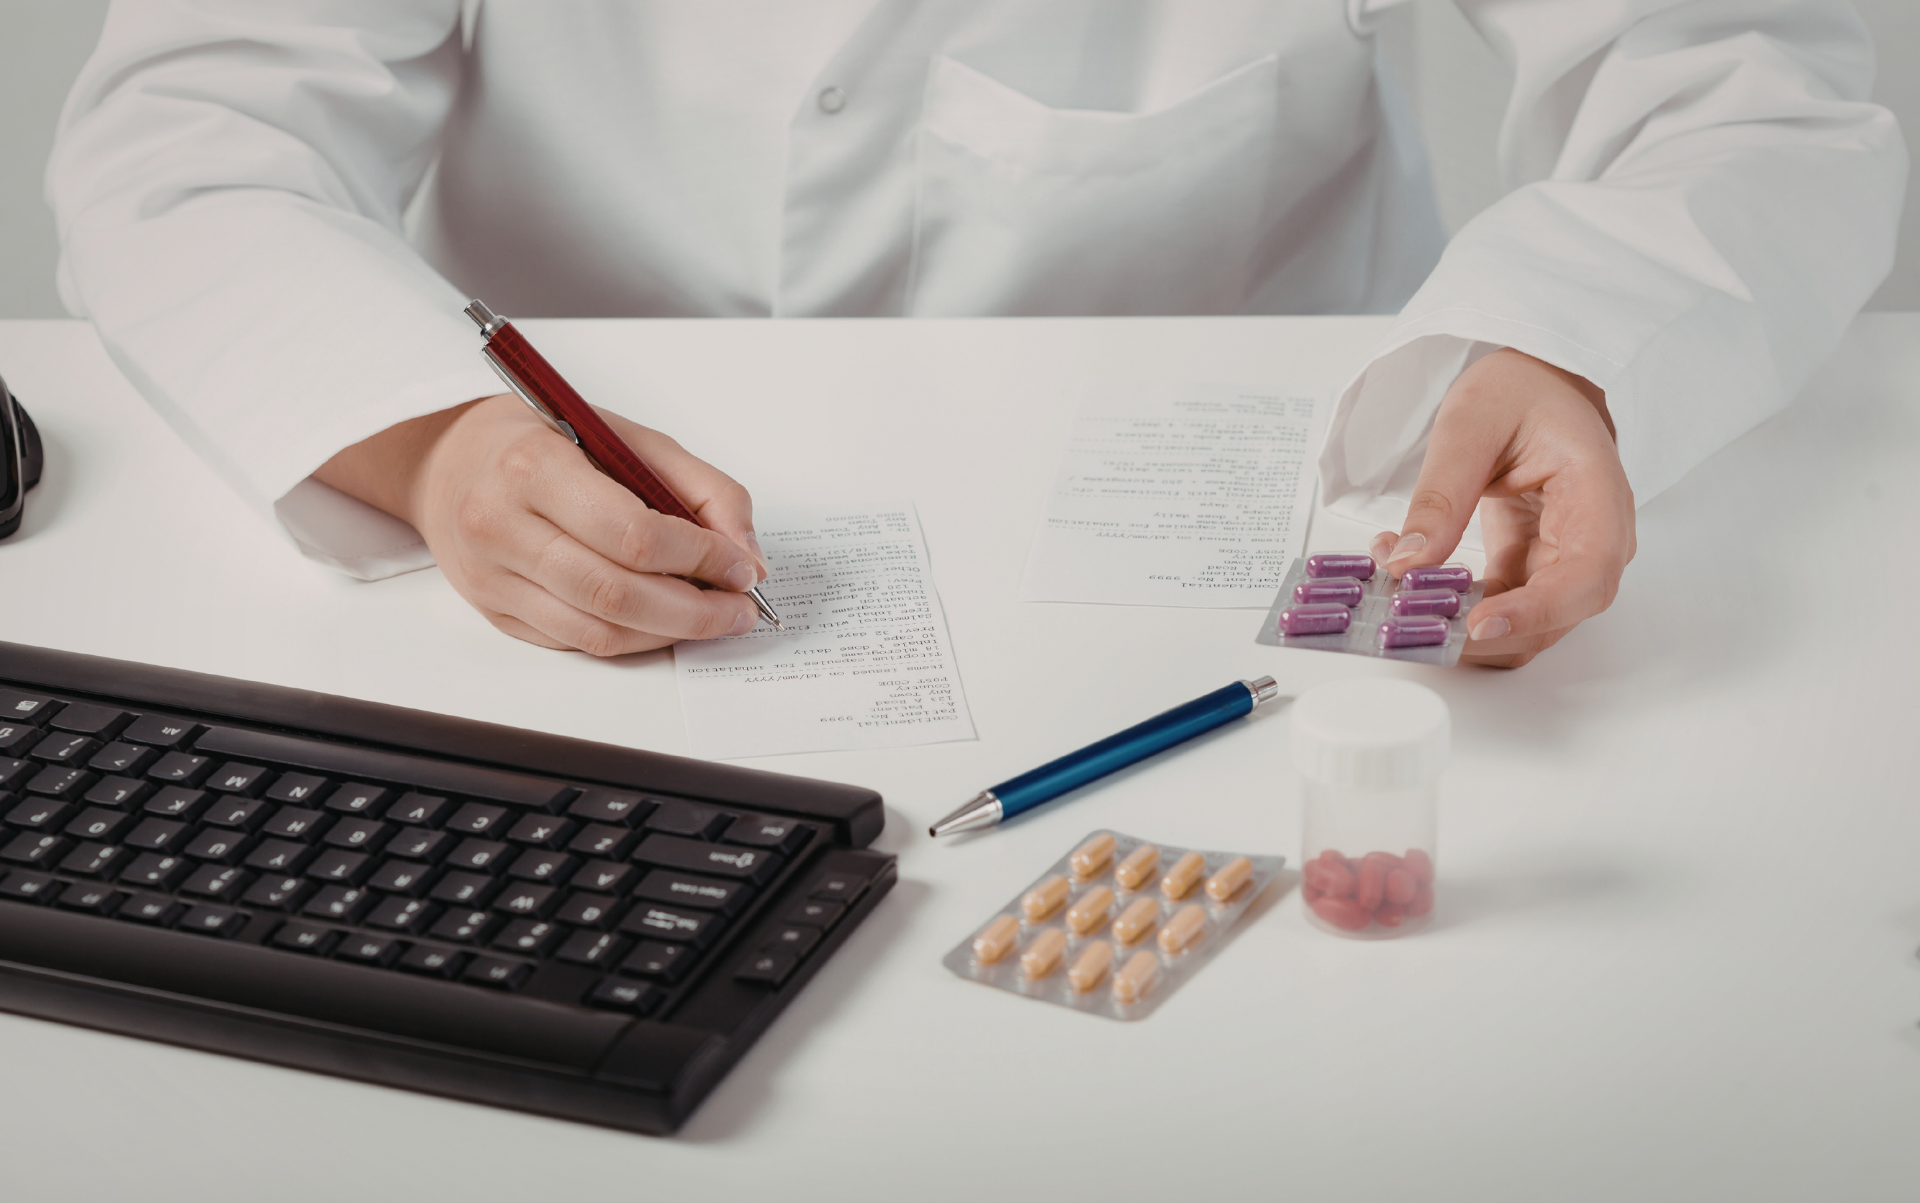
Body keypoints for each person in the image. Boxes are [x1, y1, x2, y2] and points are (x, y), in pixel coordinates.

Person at [47, 1, 1905, 667]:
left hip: (1246, 560)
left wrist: (1575, 343)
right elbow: (194, 132)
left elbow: (1754, 93)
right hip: (567, 553)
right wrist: (433, 444)